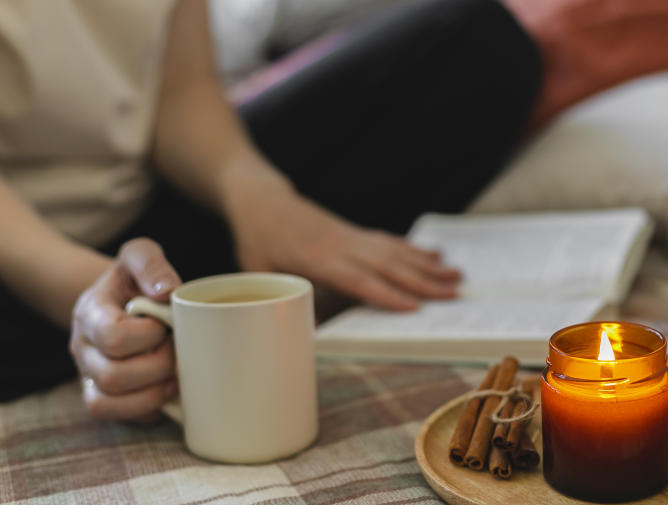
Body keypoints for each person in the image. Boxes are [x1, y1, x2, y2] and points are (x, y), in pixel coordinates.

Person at [0, 0, 541, 416]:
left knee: (477, 39)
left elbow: (181, 90)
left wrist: (259, 196)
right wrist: (85, 292)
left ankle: (201, 305)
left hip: (148, 216)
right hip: (18, 262)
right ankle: (139, 330)